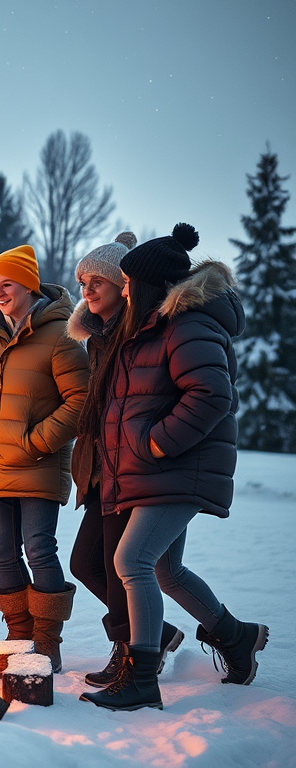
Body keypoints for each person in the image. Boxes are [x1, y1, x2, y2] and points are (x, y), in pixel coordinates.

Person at [80, 224, 268, 711]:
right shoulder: (152, 325)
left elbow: (211, 395)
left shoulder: (189, 324)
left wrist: (157, 445)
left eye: (126, 283)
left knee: (131, 561)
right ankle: (236, 637)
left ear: (144, 284)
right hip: (158, 470)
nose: (121, 290)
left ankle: (143, 678)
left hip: (178, 467)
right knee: (166, 570)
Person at [68, 232, 185, 688]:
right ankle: (153, 635)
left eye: (97, 280)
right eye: (82, 282)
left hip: (134, 466)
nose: (87, 290)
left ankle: (134, 652)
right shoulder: (97, 337)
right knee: (87, 564)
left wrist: (153, 444)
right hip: (102, 466)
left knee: (125, 567)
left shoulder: (137, 331)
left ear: (125, 284)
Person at [0, 245, 89, 671]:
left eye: (7, 284)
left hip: (38, 465)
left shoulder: (61, 333)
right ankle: (19, 636)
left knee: (38, 549)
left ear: (29, 285)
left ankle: (47, 642)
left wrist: (35, 442)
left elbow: (80, 401)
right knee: (1, 552)